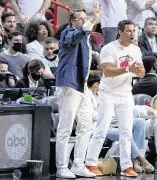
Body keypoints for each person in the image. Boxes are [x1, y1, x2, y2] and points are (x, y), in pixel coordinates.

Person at [85, 20, 145, 177]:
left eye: (134, 30)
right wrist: (127, 69)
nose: (132, 34)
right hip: (108, 93)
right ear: (120, 32)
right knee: (101, 129)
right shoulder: (109, 48)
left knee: (126, 132)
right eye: (129, 31)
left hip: (125, 93)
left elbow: (140, 70)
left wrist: (140, 72)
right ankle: (90, 163)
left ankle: (126, 166)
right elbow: (107, 71)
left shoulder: (136, 50)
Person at [55, 7, 101, 178]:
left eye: (84, 18)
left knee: (86, 126)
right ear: (72, 21)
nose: (83, 21)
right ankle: (61, 167)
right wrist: (94, 18)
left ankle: (78, 164)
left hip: (82, 87)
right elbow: (78, 35)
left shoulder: (85, 39)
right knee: (65, 128)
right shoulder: (68, 33)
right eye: (79, 19)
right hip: (69, 85)